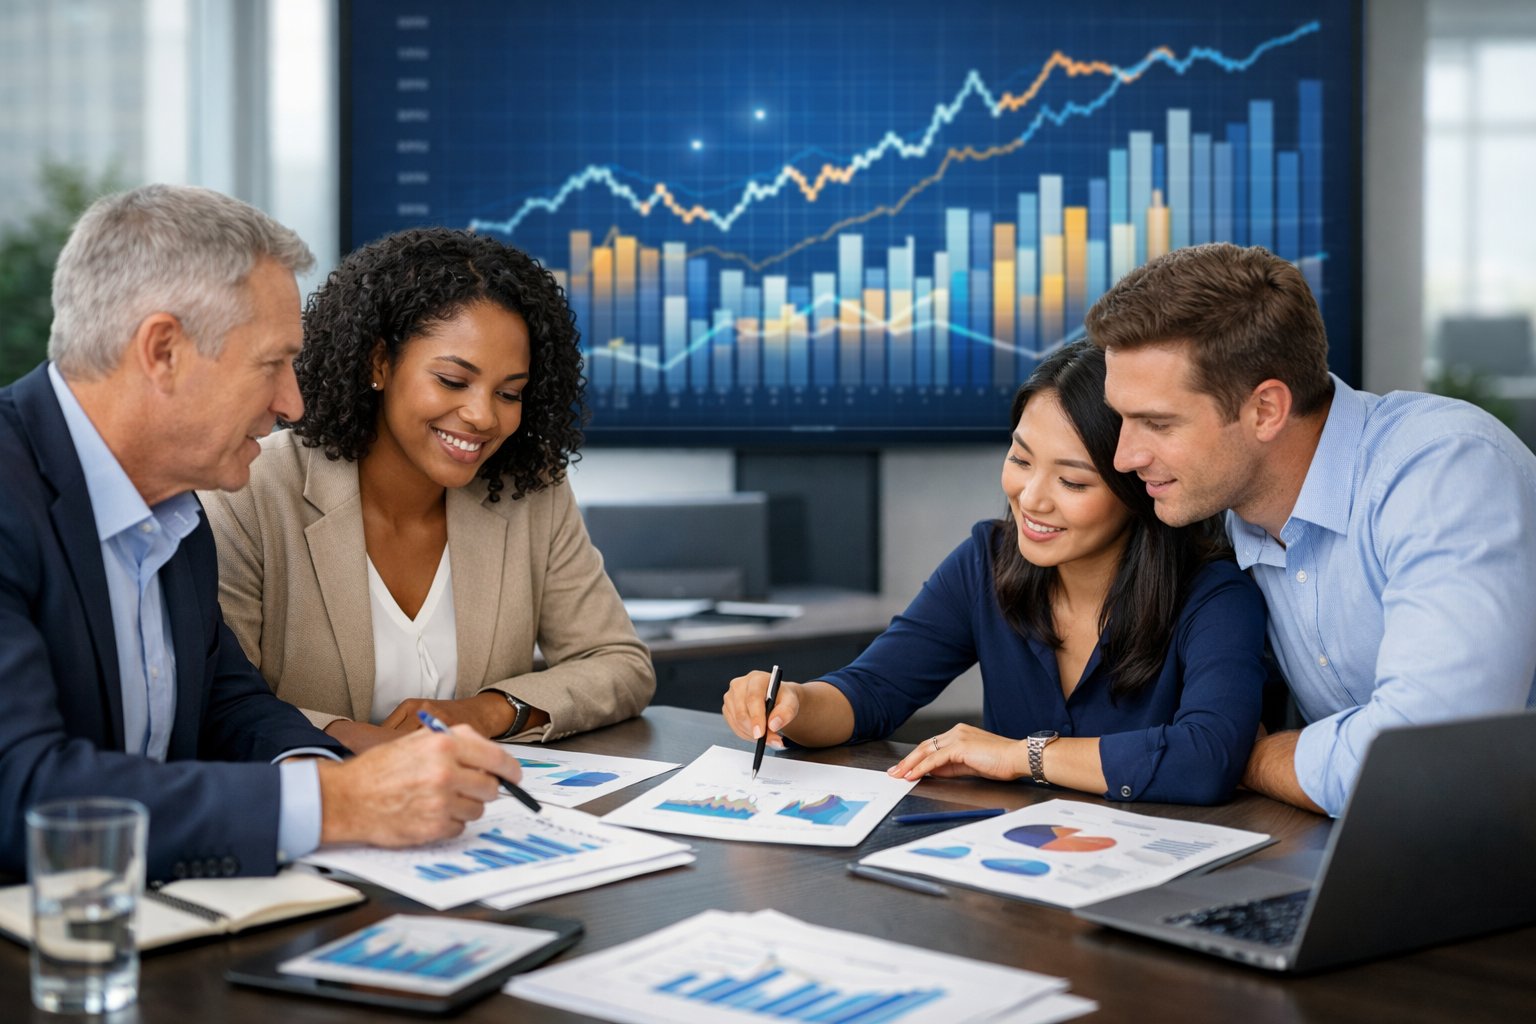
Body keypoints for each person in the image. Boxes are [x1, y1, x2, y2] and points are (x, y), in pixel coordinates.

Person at [0, 185, 524, 881]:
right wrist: (335, 801)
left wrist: (328, 768)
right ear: (164, 351)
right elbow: (22, 791)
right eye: (272, 364)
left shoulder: (176, 505)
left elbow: (227, 700)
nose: (292, 403)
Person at [1091, 242, 1536, 817]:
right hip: (1403, 853)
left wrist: (1246, 758)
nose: (1124, 456)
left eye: (1157, 423)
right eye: (1121, 418)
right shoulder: (1226, 513)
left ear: (1267, 410)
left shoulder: (1444, 469)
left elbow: (1430, 764)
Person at [721, 341, 1269, 804]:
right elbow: (871, 692)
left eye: (1073, 483)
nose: (1030, 499)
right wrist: (792, 704)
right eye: (1021, 459)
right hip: (1014, 871)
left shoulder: (1215, 594)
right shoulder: (988, 557)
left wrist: (1019, 756)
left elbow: (1208, 757)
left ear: (1137, 491)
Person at [199, 228, 653, 754]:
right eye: (453, 381)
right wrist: (356, 748)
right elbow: (219, 700)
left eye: (509, 393)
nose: (484, 415)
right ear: (379, 364)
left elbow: (619, 663)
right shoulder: (252, 492)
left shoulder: (529, 488)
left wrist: (484, 712)